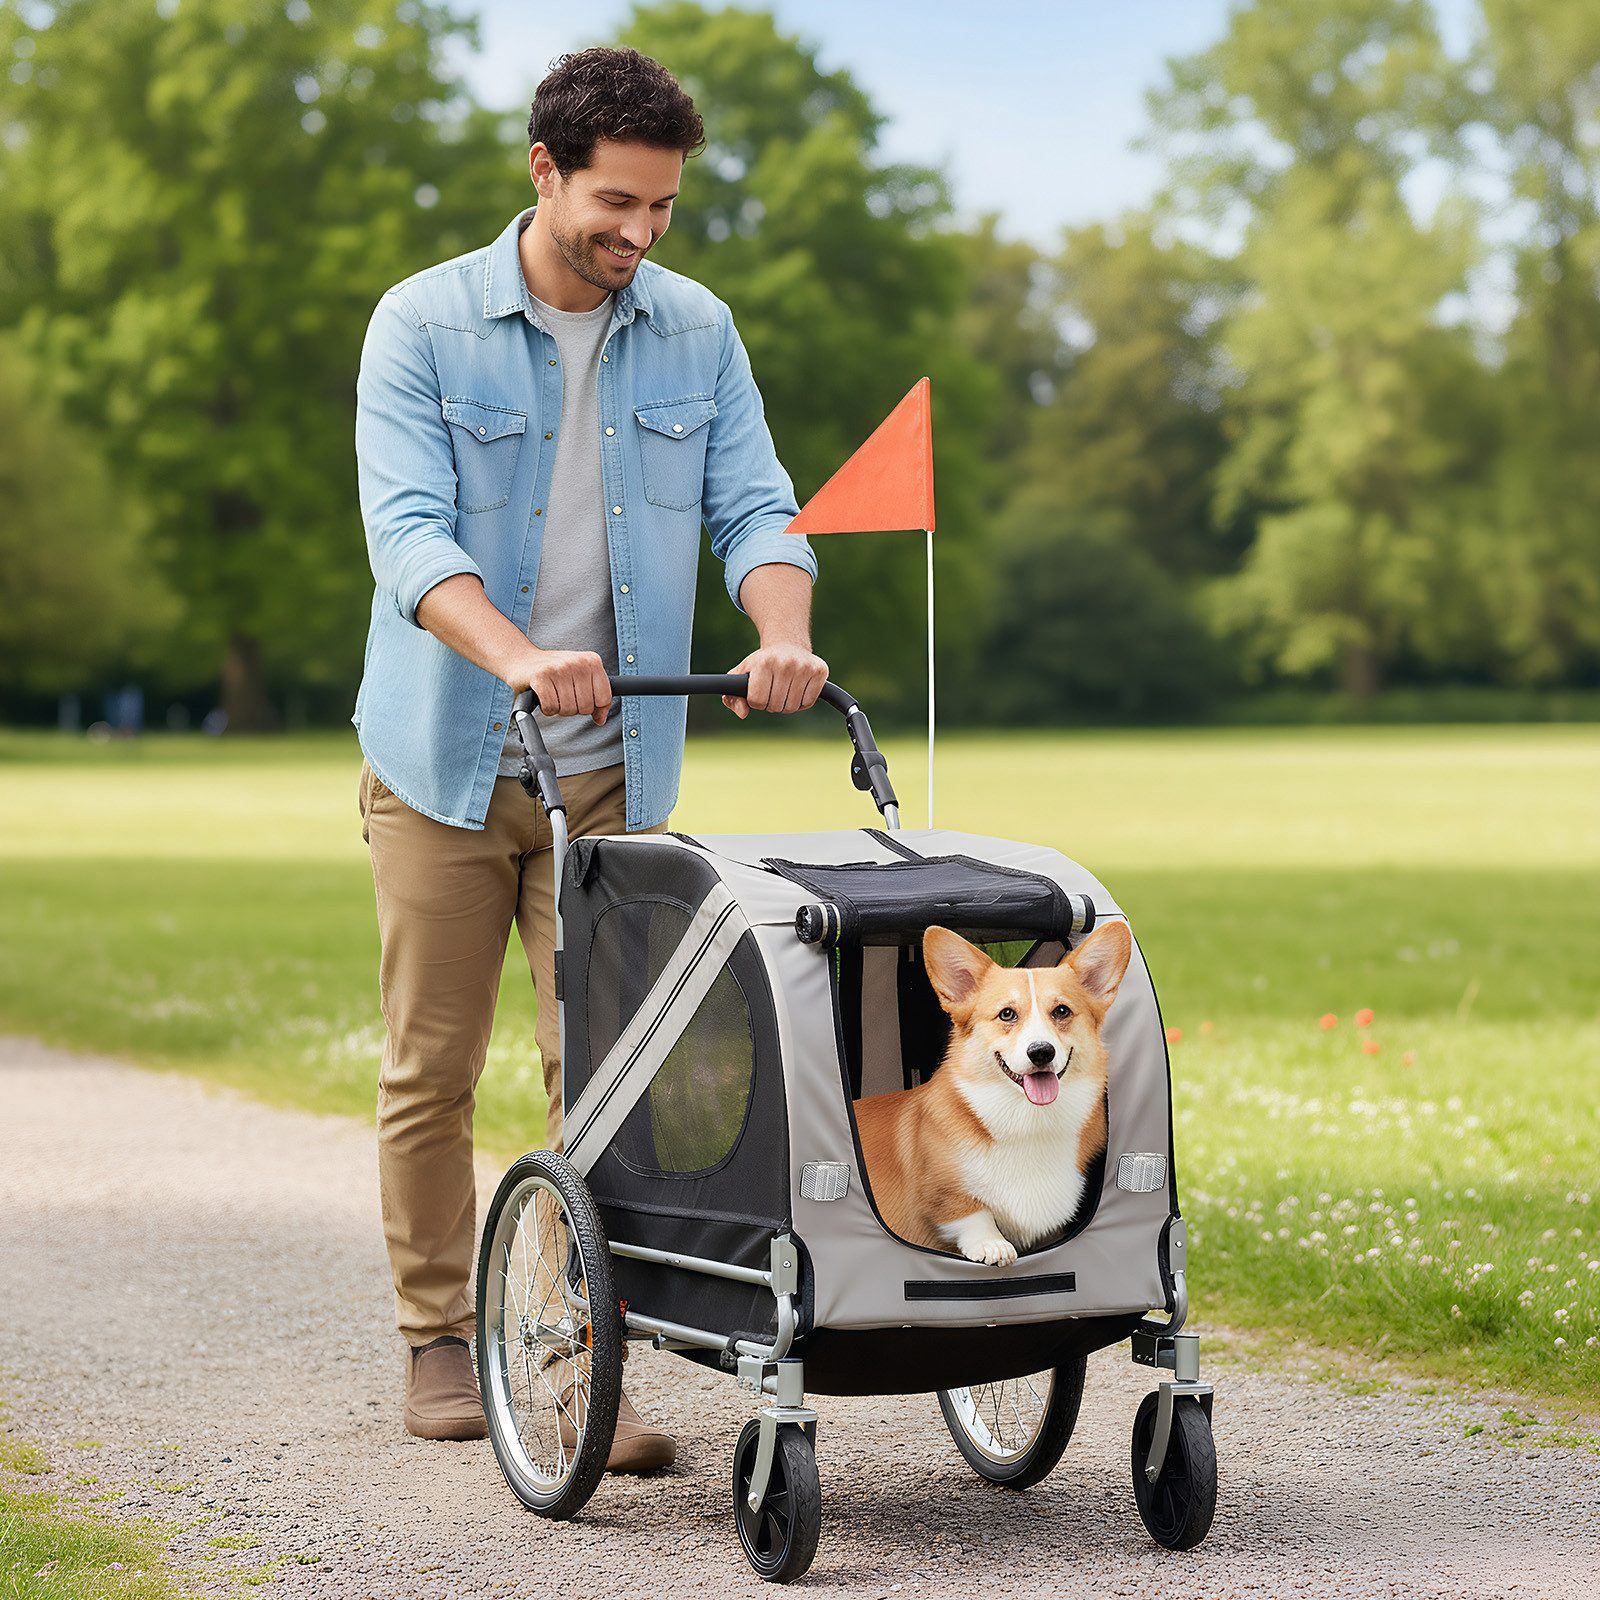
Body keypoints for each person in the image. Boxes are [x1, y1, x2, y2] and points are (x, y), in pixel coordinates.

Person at [352, 46, 826, 1463]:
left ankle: (569, 1366)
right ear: (544, 172)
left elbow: (757, 508)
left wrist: (781, 634)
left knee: (609, 1080)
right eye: (616, 202)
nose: (641, 233)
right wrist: (516, 657)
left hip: (614, 771)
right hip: (446, 761)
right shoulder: (423, 323)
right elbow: (408, 537)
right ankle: (441, 1343)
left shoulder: (696, 330)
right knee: (432, 1070)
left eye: (663, 207)